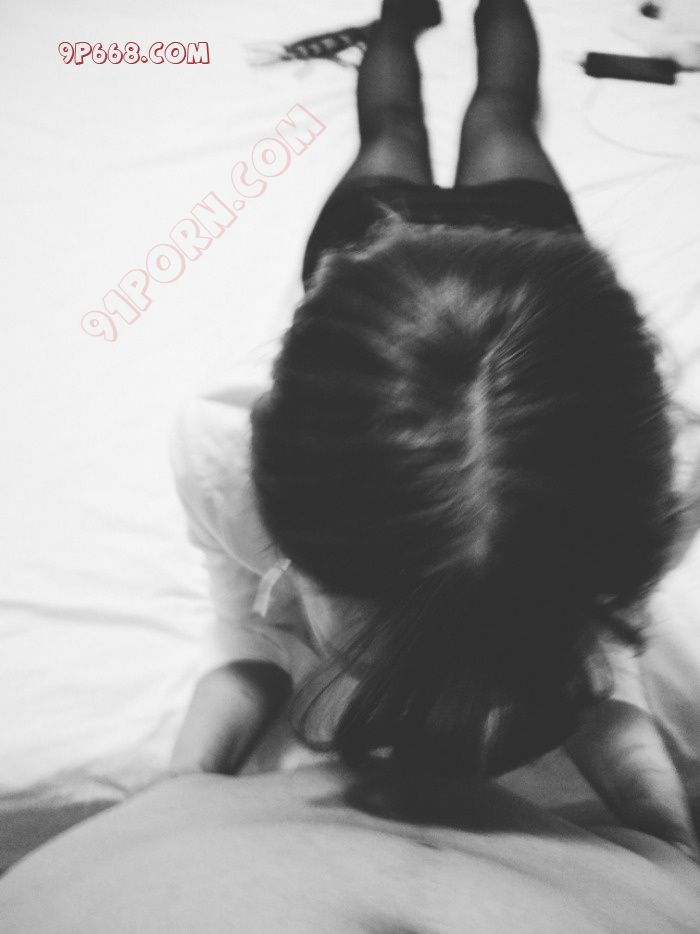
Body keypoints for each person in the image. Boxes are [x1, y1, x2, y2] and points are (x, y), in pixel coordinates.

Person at [168, 0, 698, 859]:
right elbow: (246, 620)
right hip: (477, 246)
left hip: (502, 272)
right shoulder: (221, 444)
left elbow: (606, 632)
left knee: (481, 113)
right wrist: (183, 783)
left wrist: (653, 805)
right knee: (422, 121)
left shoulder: (665, 479)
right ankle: (402, 13)